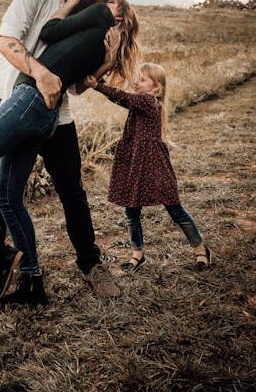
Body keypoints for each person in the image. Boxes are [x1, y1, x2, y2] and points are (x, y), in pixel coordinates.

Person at [0, 0, 140, 306]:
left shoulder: (90, 21)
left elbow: (80, 86)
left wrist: (107, 60)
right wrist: (40, 74)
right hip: (11, 102)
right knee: (1, 189)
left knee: (71, 190)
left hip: (57, 115)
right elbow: (5, 40)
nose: (109, 4)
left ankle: (91, 263)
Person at [87, 63, 212, 271]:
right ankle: (138, 253)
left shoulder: (148, 101)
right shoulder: (140, 102)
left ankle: (200, 248)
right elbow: (119, 97)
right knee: (131, 209)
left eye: (143, 79)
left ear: (157, 89)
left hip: (154, 164)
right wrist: (99, 82)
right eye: (137, 78)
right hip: (136, 162)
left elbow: (124, 97)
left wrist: (97, 86)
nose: (137, 82)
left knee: (174, 207)